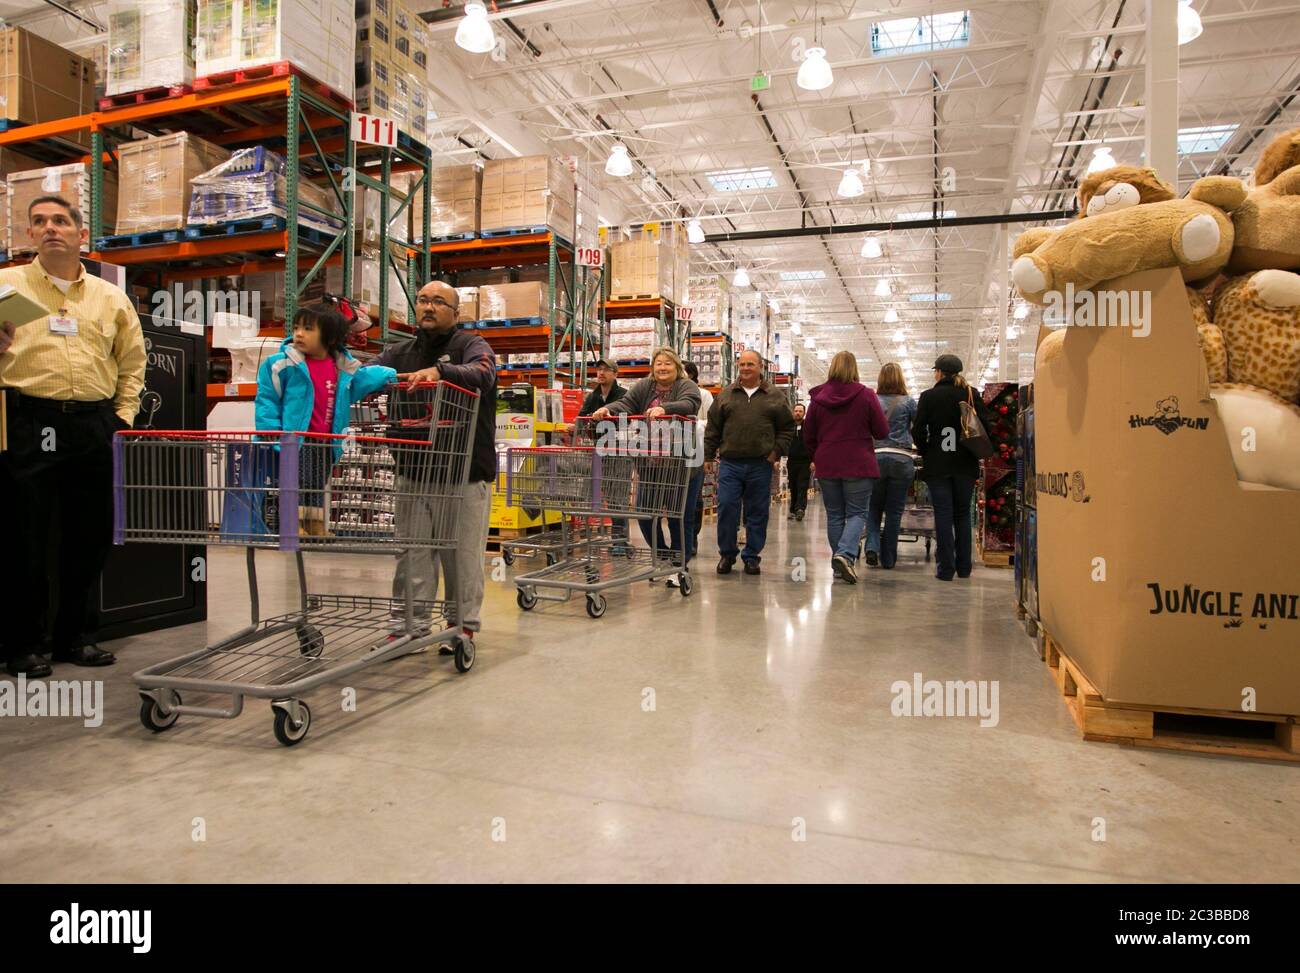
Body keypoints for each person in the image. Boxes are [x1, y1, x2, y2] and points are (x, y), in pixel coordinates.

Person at [0, 195, 147, 677]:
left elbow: (133, 363)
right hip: (27, 420)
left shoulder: (111, 298)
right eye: (39, 221)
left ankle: (75, 637)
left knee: (90, 534)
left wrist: (121, 418)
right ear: (29, 234)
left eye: (61, 221)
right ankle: (23, 644)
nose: (50, 228)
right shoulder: (5, 286)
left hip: (93, 424)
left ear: (81, 235)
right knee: (24, 536)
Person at [375, 280, 497, 644]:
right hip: (413, 471)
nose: (429, 307)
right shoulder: (398, 353)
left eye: (439, 302)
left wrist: (442, 372)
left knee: (461, 557)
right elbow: (366, 372)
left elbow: (484, 373)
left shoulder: (471, 346)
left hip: (464, 474)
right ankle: (409, 627)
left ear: (456, 313)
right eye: (423, 300)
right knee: (412, 554)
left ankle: (462, 626)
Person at [253, 298, 396, 534]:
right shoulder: (284, 364)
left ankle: (314, 523)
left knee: (317, 483)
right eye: (296, 327)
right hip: (296, 437)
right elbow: (267, 397)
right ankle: (292, 524)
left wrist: (389, 374)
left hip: (327, 439)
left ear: (329, 337)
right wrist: (269, 428)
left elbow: (363, 379)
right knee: (296, 481)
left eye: (308, 328)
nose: (299, 334)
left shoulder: (340, 367)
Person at [594, 347, 702, 576]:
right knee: (644, 515)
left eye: (668, 363)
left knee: (678, 518)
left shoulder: (686, 386)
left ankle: (679, 565)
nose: (663, 367)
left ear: (677, 367)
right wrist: (607, 409)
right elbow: (626, 403)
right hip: (651, 465)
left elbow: (690, 403)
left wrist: (665, 408)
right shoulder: (645, 386)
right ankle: (662, 555)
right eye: (658, 363)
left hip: (681, 464)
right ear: (653, 367)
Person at [704, 349, 795, 576]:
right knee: (726, 507)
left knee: (757, 511)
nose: (745, 368)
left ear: (760, 367)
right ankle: (727, 554)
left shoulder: (775, 396)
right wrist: (707, 455)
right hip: (730, 463)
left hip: (760, 464)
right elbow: (713, 428)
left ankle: (752, 556)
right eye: (742, 364)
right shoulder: (726, 395)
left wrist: (775, 453)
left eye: (750, 364)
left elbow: (787, 428)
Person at [802, 351, 889, 584]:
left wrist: (818, 455)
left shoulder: (818, 399)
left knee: (835, 515)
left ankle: (840, 565)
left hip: (827, 462)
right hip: (858, 462)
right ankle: (845, 554)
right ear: (854, 368)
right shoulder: (866, 395)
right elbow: (882, 431)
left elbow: (808, 435)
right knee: (857, 513)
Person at [912, 354, 992, 581]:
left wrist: (927, 450)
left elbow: (918, 430)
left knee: (943, 514)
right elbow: (986, 426)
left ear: (939, 372)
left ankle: (945, 569)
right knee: (962, 514)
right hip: (965, 463)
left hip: (938, 464)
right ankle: (964, 567)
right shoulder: (970, 393)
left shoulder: (929, 396)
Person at [864, 362, 918, 569]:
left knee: (873, 507)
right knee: (894, 512)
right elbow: (919, 428)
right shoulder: (909, 402)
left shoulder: (872, 400)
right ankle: (888, 559)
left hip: (876, 458)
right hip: (901, 459)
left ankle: (871, 547)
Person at [683, 360, 713, 561]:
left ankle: (692, 538)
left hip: (696, 450)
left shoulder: (704, 395)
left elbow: (712, 421)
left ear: (692, 375)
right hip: (672, 452)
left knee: (694, 498)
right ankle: (679, 539)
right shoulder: (672, 393)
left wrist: (694, 424)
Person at [786, 402, 812, 521]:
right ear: (793, 412)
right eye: (796, 411)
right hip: (791, 461)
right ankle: (793, 509)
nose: (798, 413)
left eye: (800, 411)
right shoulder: (788, 427)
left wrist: (813, 460)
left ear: (804, 413)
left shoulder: (808, 427)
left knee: (802, 485)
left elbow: (812, 443)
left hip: (805, 462)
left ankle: (800, 508)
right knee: (793, 485)